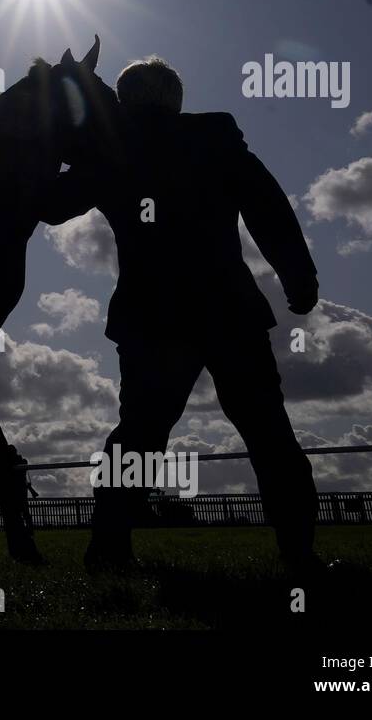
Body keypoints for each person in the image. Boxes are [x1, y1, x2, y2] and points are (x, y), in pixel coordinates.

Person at [40, 56, 321, 575]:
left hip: (152, 315)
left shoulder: (109, 149)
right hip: (227, 307)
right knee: (268, 432)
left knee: (140, 435)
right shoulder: (214, 136)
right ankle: (300, 554)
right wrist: (298, 276)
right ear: (176, 99)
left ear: (124, 100)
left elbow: (50, 205)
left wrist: (53, 140)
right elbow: (268, 205)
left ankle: (109, 550)